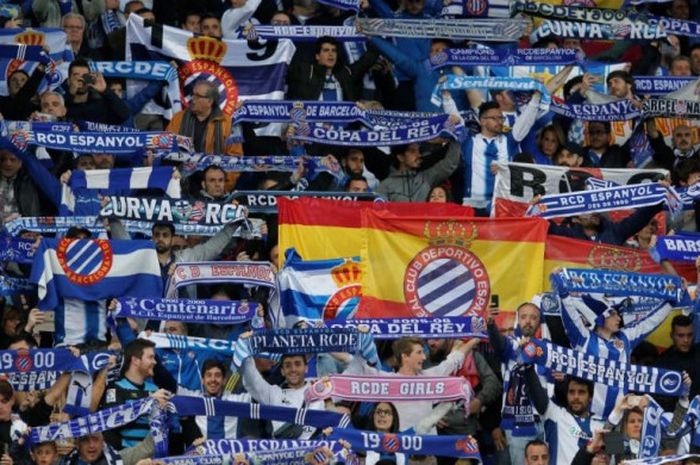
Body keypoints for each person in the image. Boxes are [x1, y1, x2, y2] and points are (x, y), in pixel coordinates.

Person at [553, 281, 677, 417]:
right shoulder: (584, 338)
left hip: (618, 418)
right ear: (600, 318)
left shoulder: (625, 338)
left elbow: (649, 322)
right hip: (586, 416)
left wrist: (671, 300)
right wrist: (563, 292)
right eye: (613, 314)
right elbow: (570, 316)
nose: (619, 318)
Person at [487, 304, 547, 465]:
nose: (528, 321)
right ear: (518, 320)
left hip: (546, 420)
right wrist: (491, 325)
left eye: (534, 318)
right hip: (518, 423)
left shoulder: (547, 349)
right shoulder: (511, 345)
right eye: (524, 317)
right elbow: (499, 344)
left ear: (539, 322)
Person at [166, 80, 243, 190]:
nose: (192, 99)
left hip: (213, 182)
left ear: (210, 101)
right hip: (181, 179)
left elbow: (236, 159)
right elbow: (166, 148)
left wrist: (223, 187)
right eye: (193, 95)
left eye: (198, 96)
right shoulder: (178, 119)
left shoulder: (230, 123)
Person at [524, 365, 604, 465]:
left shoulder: (602, 424)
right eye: (571, 392)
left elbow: (617, 455)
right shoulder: (555, 414)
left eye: (581, 392)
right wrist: (528, 367)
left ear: (590, 397)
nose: (576, 397)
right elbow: (535, 391)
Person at [101, 339, 170, 449]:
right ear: (136, 360)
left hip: (154, 456)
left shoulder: (155, 389)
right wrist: (148, 402)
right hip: (127, 456)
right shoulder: (116, 388)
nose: (155, 362)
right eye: (150, 357)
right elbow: (112, 422)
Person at [240, 352, 325, 439]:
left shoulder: (315, 393)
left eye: (297, 364)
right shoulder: (273, 393)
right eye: (288, 366)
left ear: (306, 368)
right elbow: (251, 379)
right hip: (276, 449)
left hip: (308, 449)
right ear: (282, 371)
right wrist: (245, 350)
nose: (293, 369)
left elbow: (308, 431)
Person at [287, 36, 378, 102]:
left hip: (342, 128)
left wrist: (374, 37)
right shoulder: (305, 72)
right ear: (317, 56)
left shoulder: (346, 73)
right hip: (313, 127)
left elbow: (368, 59)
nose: (331, 54)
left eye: (334, 50)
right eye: (326, 50)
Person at [376, 139, 460, 202]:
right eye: (413, 151)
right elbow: (379, 213)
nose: (419, 155)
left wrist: (455, 137)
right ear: (400, 157)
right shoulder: (385, 186)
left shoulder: (426, 178)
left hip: (425, 225)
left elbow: (450, 163)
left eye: (418, 151)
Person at [64, 58, 130, 125]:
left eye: (85, 76)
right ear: (68, 81)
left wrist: (105, 90)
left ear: (90, 79)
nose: (81, 79)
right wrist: (70, 94)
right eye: (76, 75)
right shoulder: (59, 102)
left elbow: (124, 115)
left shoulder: (100, 105)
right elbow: (58, 116)